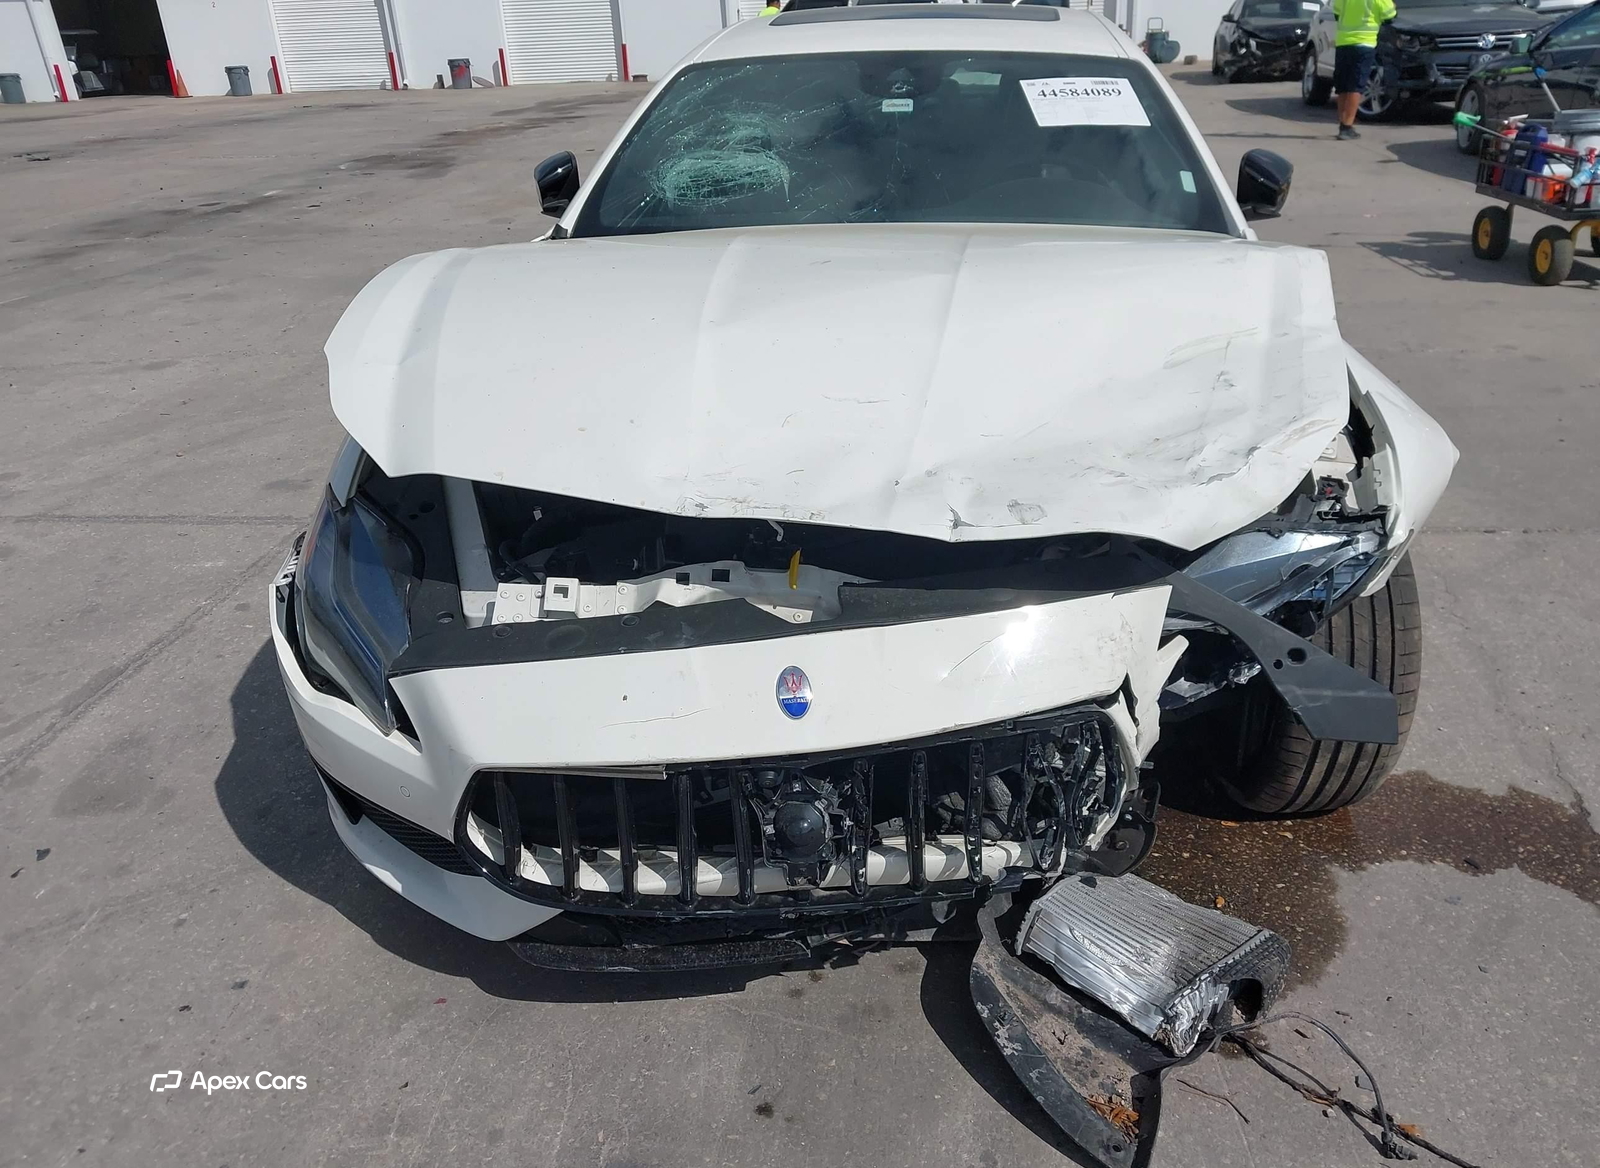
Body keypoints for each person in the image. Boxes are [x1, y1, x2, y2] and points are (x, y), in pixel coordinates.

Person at [1332, 0, 1396, 140]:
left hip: (1343, 43)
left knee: (1343, 85)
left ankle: (1343, 123)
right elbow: (1389, 16)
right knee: (1356, 85)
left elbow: (1336, 14)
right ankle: (1347, 127)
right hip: (1364, 44)